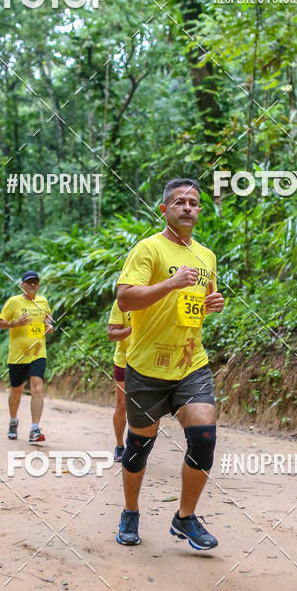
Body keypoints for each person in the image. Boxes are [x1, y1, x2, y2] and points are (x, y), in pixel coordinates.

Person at [115, 178, 224, 551]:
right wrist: (171, 283)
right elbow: (126, 299)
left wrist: (211, 305)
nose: (188, 207)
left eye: (193, 202)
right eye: (179, 202)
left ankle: (185, 517)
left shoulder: (207, 256)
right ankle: (130, 511)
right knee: (138, 447)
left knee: (204, 437)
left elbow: (197, 304)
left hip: (190, 363)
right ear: (164, 210)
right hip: (147, 367)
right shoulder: (148, 249)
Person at [0, 270, 53, 443]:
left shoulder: (43, 301)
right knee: (17, 390)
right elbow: (0, 323)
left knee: (37, 388)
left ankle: (35, 429)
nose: (32, 285)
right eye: (29, 282)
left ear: (39, 285)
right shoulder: (13, 302)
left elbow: (48, 319)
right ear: (22, 285)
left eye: (35, 282)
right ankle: (13, 421)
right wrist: (16, 323)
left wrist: (49, 326)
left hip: (38, 352)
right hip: (18, 355)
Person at [107, 300, 132, 462]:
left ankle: (136, 446)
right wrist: (133, 328)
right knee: (122, 404)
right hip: (124, 360)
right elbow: (112, 334)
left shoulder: (156, 297)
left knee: (142, 406)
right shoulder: (122, 302)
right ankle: (119, 445)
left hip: (147, 361)